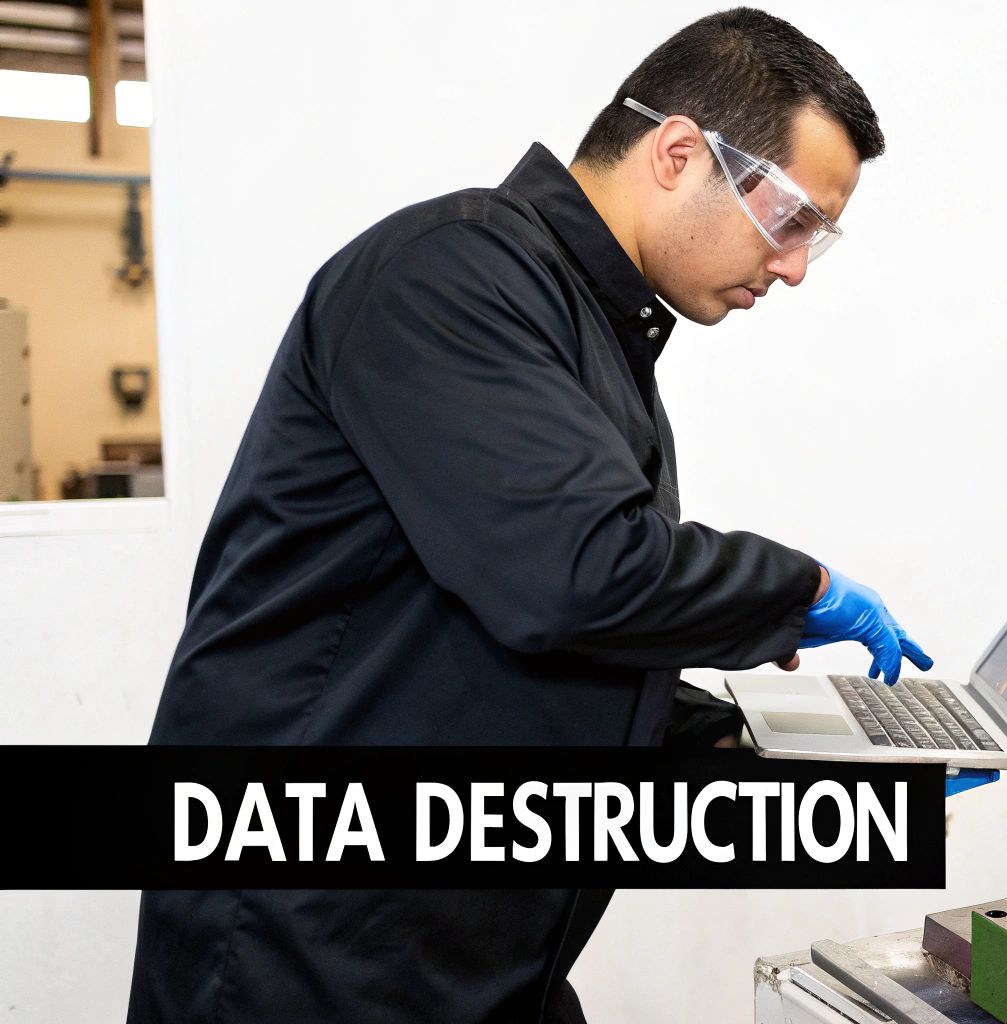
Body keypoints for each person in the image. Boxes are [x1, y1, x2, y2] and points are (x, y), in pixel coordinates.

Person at [126, 9, 927, 1022]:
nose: (795, 266)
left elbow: (523, 664)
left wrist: (783, 770)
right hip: (305, 953)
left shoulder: (587, 328)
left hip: (461, 956)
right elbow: (578, 575)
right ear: (679, 153)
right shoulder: (448, 278)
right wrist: (800, 588)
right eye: (790, 218)